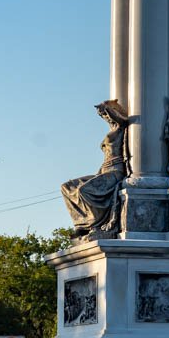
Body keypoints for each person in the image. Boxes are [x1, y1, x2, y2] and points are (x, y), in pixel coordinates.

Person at [61, 101, 132, 237]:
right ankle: (81, 224)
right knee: (66, 187)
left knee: (83, 190)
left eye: (105, 114)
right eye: (102, 116)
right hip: (103, 170)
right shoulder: (111, 130)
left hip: (115, 171)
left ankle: (95, 223)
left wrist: (107, 107)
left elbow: (123, 120)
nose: (105, 117)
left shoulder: (120, 127)